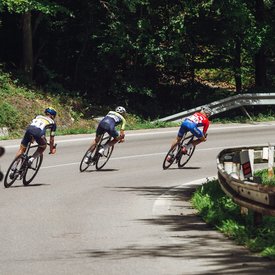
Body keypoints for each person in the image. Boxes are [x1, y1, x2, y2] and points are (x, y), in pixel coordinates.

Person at [11, 107, 57, 175]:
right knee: (43, 146)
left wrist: (32, 137)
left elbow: (34, 125)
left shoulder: (38, 116)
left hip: (29, 129)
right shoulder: (53, 123)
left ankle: (14, 166)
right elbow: (51, 139)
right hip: (39, 133)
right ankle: (31, 160)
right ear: (53, 116)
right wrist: (51, 149)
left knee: (22, 149)